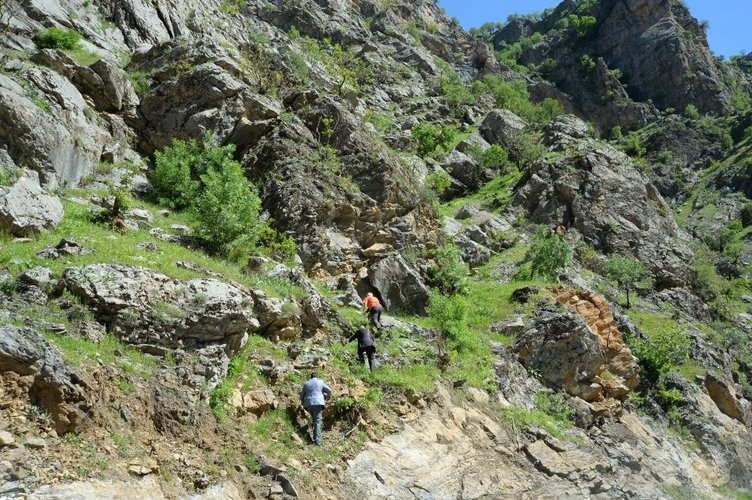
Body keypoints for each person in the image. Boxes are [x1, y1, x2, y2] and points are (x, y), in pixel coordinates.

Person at [299, 372, 332, 446]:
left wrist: (303, 403)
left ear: (310, 377)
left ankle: (314, 438)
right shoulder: (320, 382)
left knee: (314, 420)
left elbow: (301, 395)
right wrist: (327, 398)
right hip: (318, 403)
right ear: (317, 377)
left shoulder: (306, 383)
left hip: (308, 404)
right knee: (317, 421)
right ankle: (317, 441)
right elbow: (329, 390)